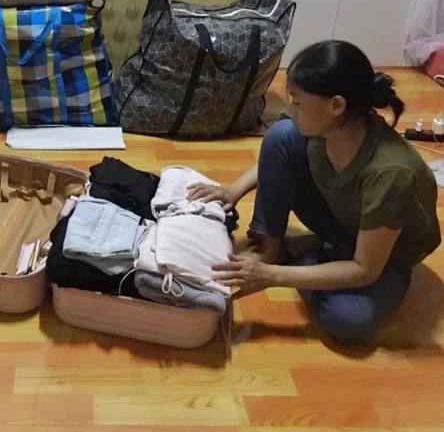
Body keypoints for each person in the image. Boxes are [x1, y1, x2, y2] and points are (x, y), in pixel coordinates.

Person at [187, 40, 441, 342]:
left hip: (384, 258)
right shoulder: (327, 126)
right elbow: (277, 152)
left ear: (336, 105)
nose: (291, 109)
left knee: (347, 319)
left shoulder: (392, 172)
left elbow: (365, 270)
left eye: (297, 103)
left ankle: (307, 256)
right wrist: (233, 191)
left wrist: (272, 277)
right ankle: (277, 250)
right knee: (281, 135)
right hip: (341, 221)